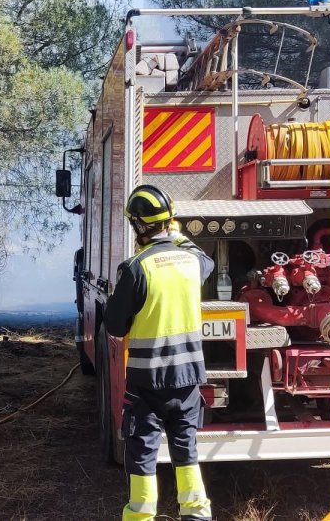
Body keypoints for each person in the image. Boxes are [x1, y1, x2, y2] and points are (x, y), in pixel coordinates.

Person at [104, 184, 215, 521]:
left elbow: (115, 326)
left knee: (142, 454)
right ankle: (196, 514)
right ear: (170, 221)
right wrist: (178, 237)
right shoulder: (195, 262)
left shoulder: (136, 268)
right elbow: (204, 258)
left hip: (146, 383)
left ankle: (141, 516)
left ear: (138, 226)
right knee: (186, 450)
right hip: (187, 381)